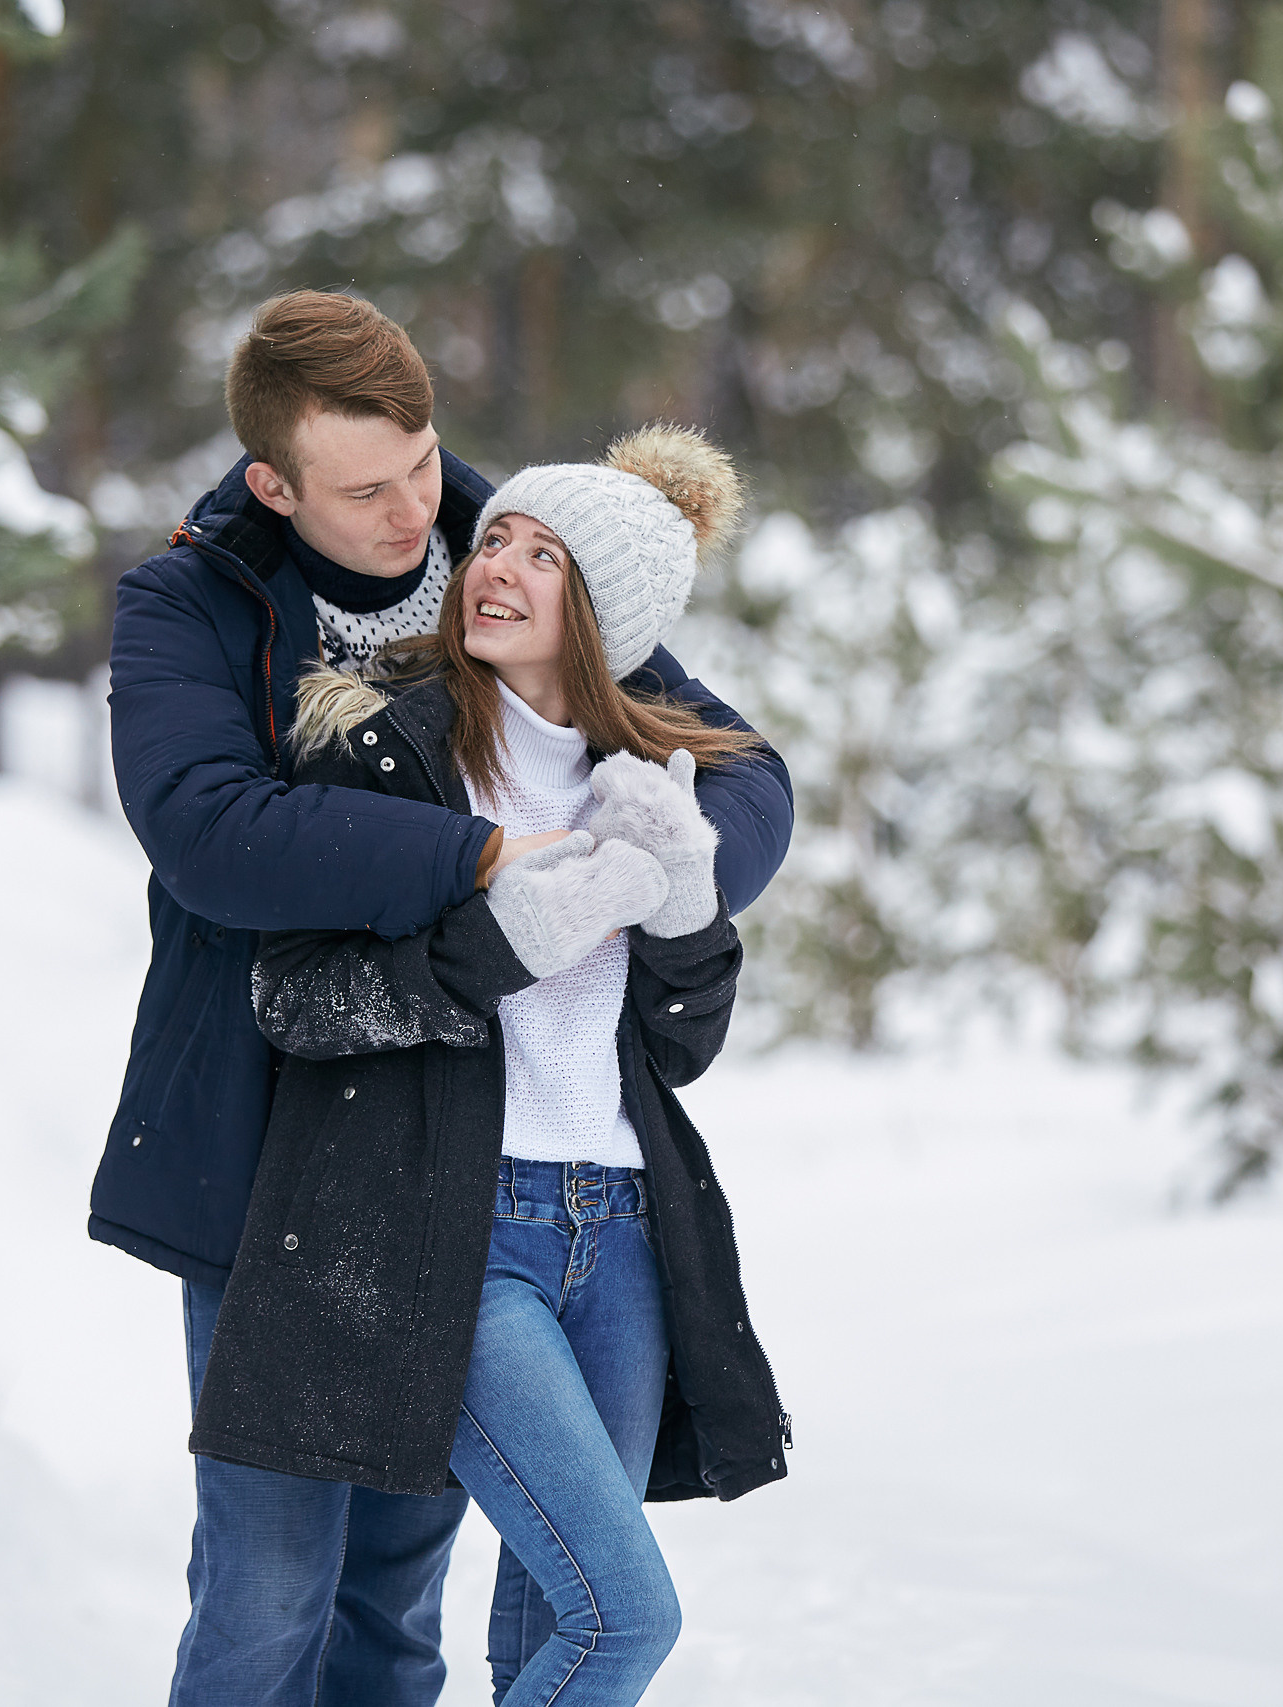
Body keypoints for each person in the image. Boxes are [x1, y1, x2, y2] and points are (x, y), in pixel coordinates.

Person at [91, 292, 794, 1707]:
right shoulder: (191, 601)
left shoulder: (510, 548)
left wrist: (667, 882)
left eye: (423, 462)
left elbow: (733, 772)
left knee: (394, 1587)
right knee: (267, 1586)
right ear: (273, 485)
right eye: (365, 489)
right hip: (259, 1137)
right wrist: (489, 859)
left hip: (439, 1160)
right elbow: (213, 835)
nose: (416, 509)